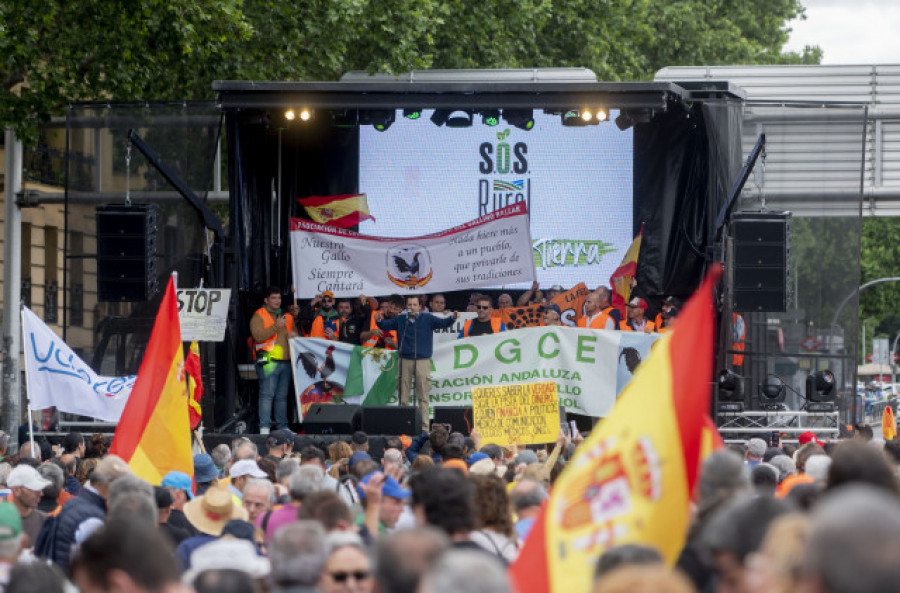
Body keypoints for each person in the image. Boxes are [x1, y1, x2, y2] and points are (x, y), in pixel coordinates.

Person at [377, 295, 458, 432]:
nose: (412, 308)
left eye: (415, 305)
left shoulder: (428, 318)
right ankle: (404, 426)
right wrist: (379, 320)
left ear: (420, 307)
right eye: (409, 305)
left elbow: (443, 323)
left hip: (422, 361)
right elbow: (385, 325)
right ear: (406, 307)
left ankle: (424, 428)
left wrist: (453, 318)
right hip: (404, 360)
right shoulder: (401, 319)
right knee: (403, 396)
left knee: (423, 396)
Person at [250, 286, 299, 434]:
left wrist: (294, 335)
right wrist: (275, 327)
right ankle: (264, 427)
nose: (277, 301)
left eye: (279, 298)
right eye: (273, 298)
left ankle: (282, 427)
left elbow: (296, 333)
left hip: (285, 359)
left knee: (282, 396)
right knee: (267, 394)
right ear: (266, 300)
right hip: (266, 357)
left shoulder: (287, 316)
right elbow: (258, 336)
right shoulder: (258, 315)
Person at [7, 465, 50, 547]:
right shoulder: (3, 519)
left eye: (40, 488)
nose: (41, 493)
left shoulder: (45, 521)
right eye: (34, 488)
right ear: (16, 490)